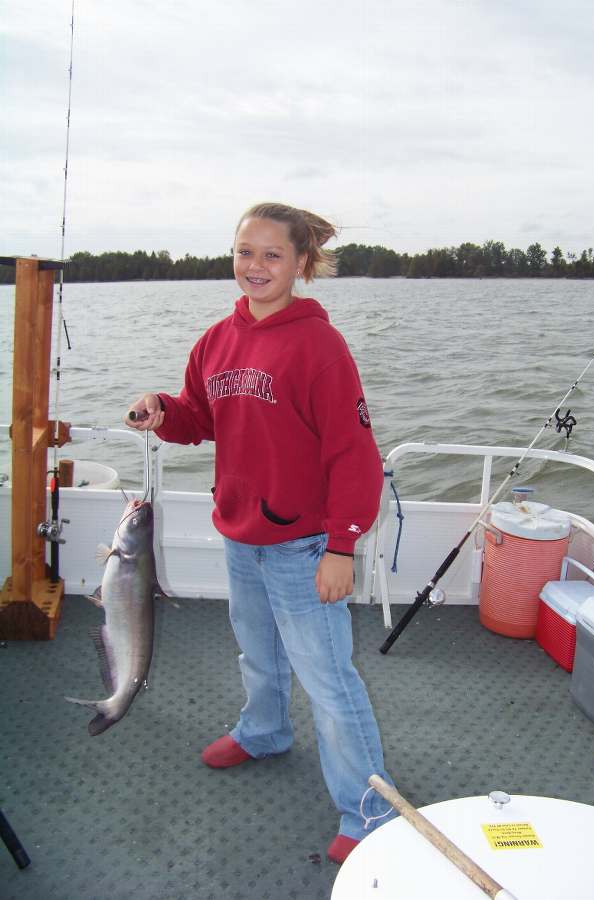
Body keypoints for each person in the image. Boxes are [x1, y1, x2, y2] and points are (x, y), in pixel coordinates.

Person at [126, 202, 395, 864]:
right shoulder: (217, 339)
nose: (255, 266)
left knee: (329, 679)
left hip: (304, 545)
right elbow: (198, 417)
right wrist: (161, 409)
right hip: (241, 533)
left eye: (272, 255)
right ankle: (265, 731)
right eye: (244, 251)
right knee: (257, 653)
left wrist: (340, 546)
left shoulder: (320, 347)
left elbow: (353, 455)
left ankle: (369, 811)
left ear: (302, 264)